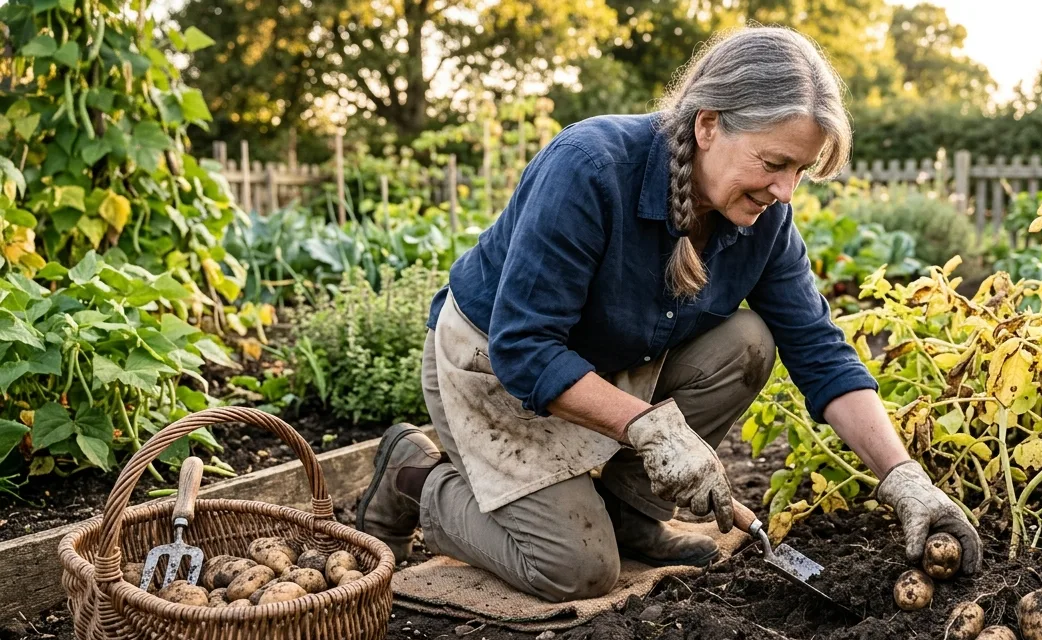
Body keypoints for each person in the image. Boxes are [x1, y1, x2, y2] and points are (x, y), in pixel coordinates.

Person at [352, 25, 982, 602]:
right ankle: (416, 476)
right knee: (576, 571)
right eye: (773, 162)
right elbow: (526, 349)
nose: (786, 190)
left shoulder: (764, 219)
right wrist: (650, 428)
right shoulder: (591, 166)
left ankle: (630, 514)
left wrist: (903, 477)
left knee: (749, 341)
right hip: (497, 374)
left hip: (608, 372)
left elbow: (817, 348)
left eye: (800, 169)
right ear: (708, 125)